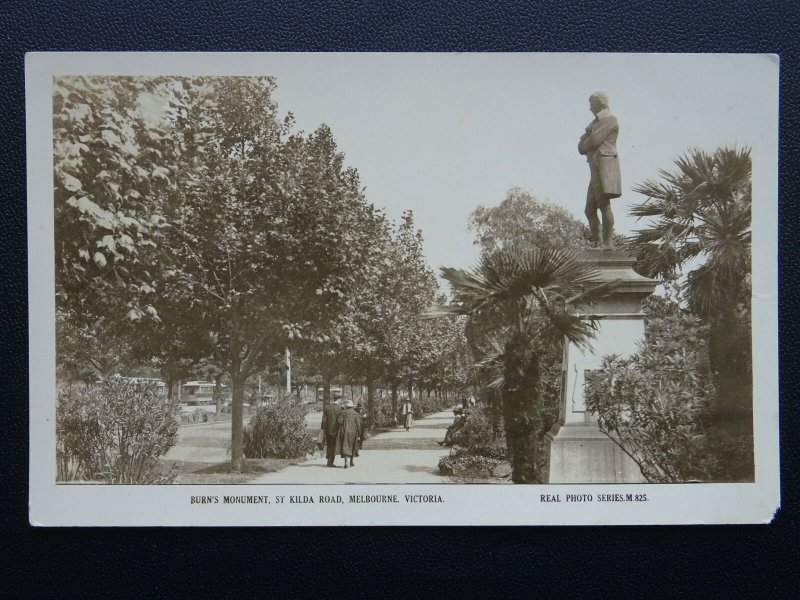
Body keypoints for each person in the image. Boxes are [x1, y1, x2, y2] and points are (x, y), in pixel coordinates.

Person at [578, 91, 622, 250]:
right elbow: (581, 148)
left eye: (592, 104)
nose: (590, 108)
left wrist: (586, 136)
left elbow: (593, 142)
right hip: (595, 167)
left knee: (604, 205)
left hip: (604, 167)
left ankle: (607, 243)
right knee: (589, 209)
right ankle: (598, 243)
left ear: (599, 104)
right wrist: (586, 138)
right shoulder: (596, 122)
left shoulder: (609, 119)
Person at [336, 399, 364, 468]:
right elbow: (358, 425)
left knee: (345, 446)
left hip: (344, 431)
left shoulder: (342, 413)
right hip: (353, 432)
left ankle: (346, 462)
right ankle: (351, 462)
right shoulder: (356, 414)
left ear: (346, 406)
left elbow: (339, 422)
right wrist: (360, 434)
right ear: (352, 407)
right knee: (353, 446)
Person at [320, 391, 343, 467]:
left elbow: (324, 420)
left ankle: (328, 460)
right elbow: (340, 421)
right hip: (335, 430)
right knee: (333, 446)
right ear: (339, 399)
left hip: (328, 430)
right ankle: (330, 462)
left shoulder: (327, 407)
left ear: (333, 399)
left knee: (329, 445)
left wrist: (323, 429)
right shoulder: (340, 408)